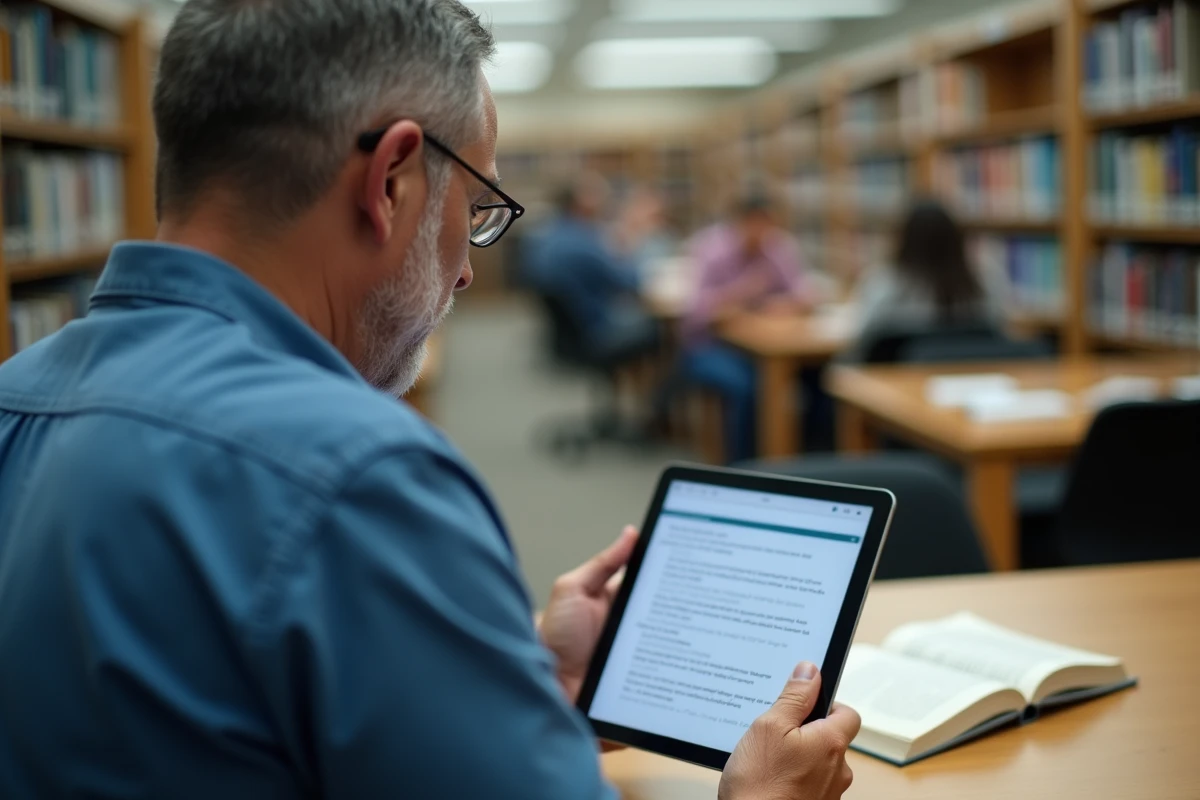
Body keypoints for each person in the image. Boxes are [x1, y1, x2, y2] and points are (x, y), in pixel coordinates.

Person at [0, 2, 859, 798]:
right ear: (392, 181)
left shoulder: (13, 399)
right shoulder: (357, 475)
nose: (468, 267)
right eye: (479, 207)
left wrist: (517, 689)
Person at [680, 193, 812, 462]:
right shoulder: (712, 250)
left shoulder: (777, 248)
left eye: (769, 224)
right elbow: (695, 312)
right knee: (746, 387)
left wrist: (789, 304)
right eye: (756, 223)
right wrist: (739, 294)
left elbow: (805, 292)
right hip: (709, 346)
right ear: (739, 222)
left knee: (818, 380)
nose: (763, 232)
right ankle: (742, 465)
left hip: (761, 347)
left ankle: (804, 457)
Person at [529, 173, 658, 360]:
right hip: (595, 330)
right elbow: (629, 281)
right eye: (596, 193)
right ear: (580, 202)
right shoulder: (582, 242)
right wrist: (637, 237)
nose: (604, 198)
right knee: (661, 328)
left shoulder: (551, 233)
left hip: (575, 329)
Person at [854, 198, 1010, 341]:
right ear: (955, 239)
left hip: (899, 370)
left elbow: (862, 337)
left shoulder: (885, 283)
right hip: (970, 367)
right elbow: (999, 328)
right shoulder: (984, 280)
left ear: (904, 240)